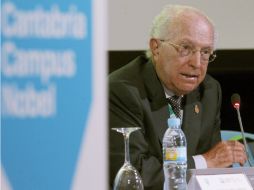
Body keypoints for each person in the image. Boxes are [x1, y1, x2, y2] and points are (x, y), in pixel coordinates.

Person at [109, 4, 247, 189]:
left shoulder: (209, 91)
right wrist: (204, 162)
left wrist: (214, 163)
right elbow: (134, 174)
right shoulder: (122, 91)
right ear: (156, 47)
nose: (197, 63)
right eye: (186, 48)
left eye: (205, 52)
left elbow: (214, 171)